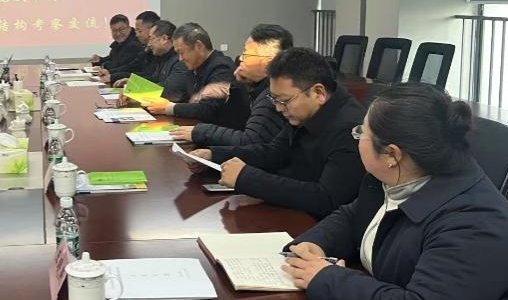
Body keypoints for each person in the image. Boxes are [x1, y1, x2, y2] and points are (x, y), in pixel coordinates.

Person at [282, 84, 508, 300]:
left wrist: (327, 278)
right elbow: (354, 215)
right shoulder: (395, 178)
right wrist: (316, 243)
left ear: (392, 154)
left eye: (361, 132)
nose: (357, 137)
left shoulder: (476, 222)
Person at [188, 47, 365, 218]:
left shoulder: (349, 130)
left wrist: (248, 178)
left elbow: (326, 199)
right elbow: (273, 153)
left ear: (318, 93)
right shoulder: (305, 112)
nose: (279, 108)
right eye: (275, 100)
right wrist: (214, 156)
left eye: (284, 100)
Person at [171, 24, 291, 146]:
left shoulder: (274, 96)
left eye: (247, 55)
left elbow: (251, 141)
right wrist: (213, 153)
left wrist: (201, 131)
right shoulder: (256, 87)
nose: (241, 59)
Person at [145, 22, 238, 122]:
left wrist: (169, 108)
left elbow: (208, 109)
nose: (180, 59)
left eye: (182, 52)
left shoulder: (222, 68)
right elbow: (184, 97)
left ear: (198, 46)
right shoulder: (195, 66)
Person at [114, 19, 189, 101]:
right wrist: (133, 82)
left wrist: (134, 89)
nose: (149, 44)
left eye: (151, 39)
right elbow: (154, 79)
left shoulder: (180, 60)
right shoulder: (163, 57)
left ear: (164, 39)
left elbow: (168, 90)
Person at [103, 11, 159, 84]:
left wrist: (115, 76)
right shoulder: (147, 49)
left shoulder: (135, 45)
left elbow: (152, 77)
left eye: (139, 31)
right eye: (136, 30)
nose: (137, 35)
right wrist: (111, 72)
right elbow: (135, 64)